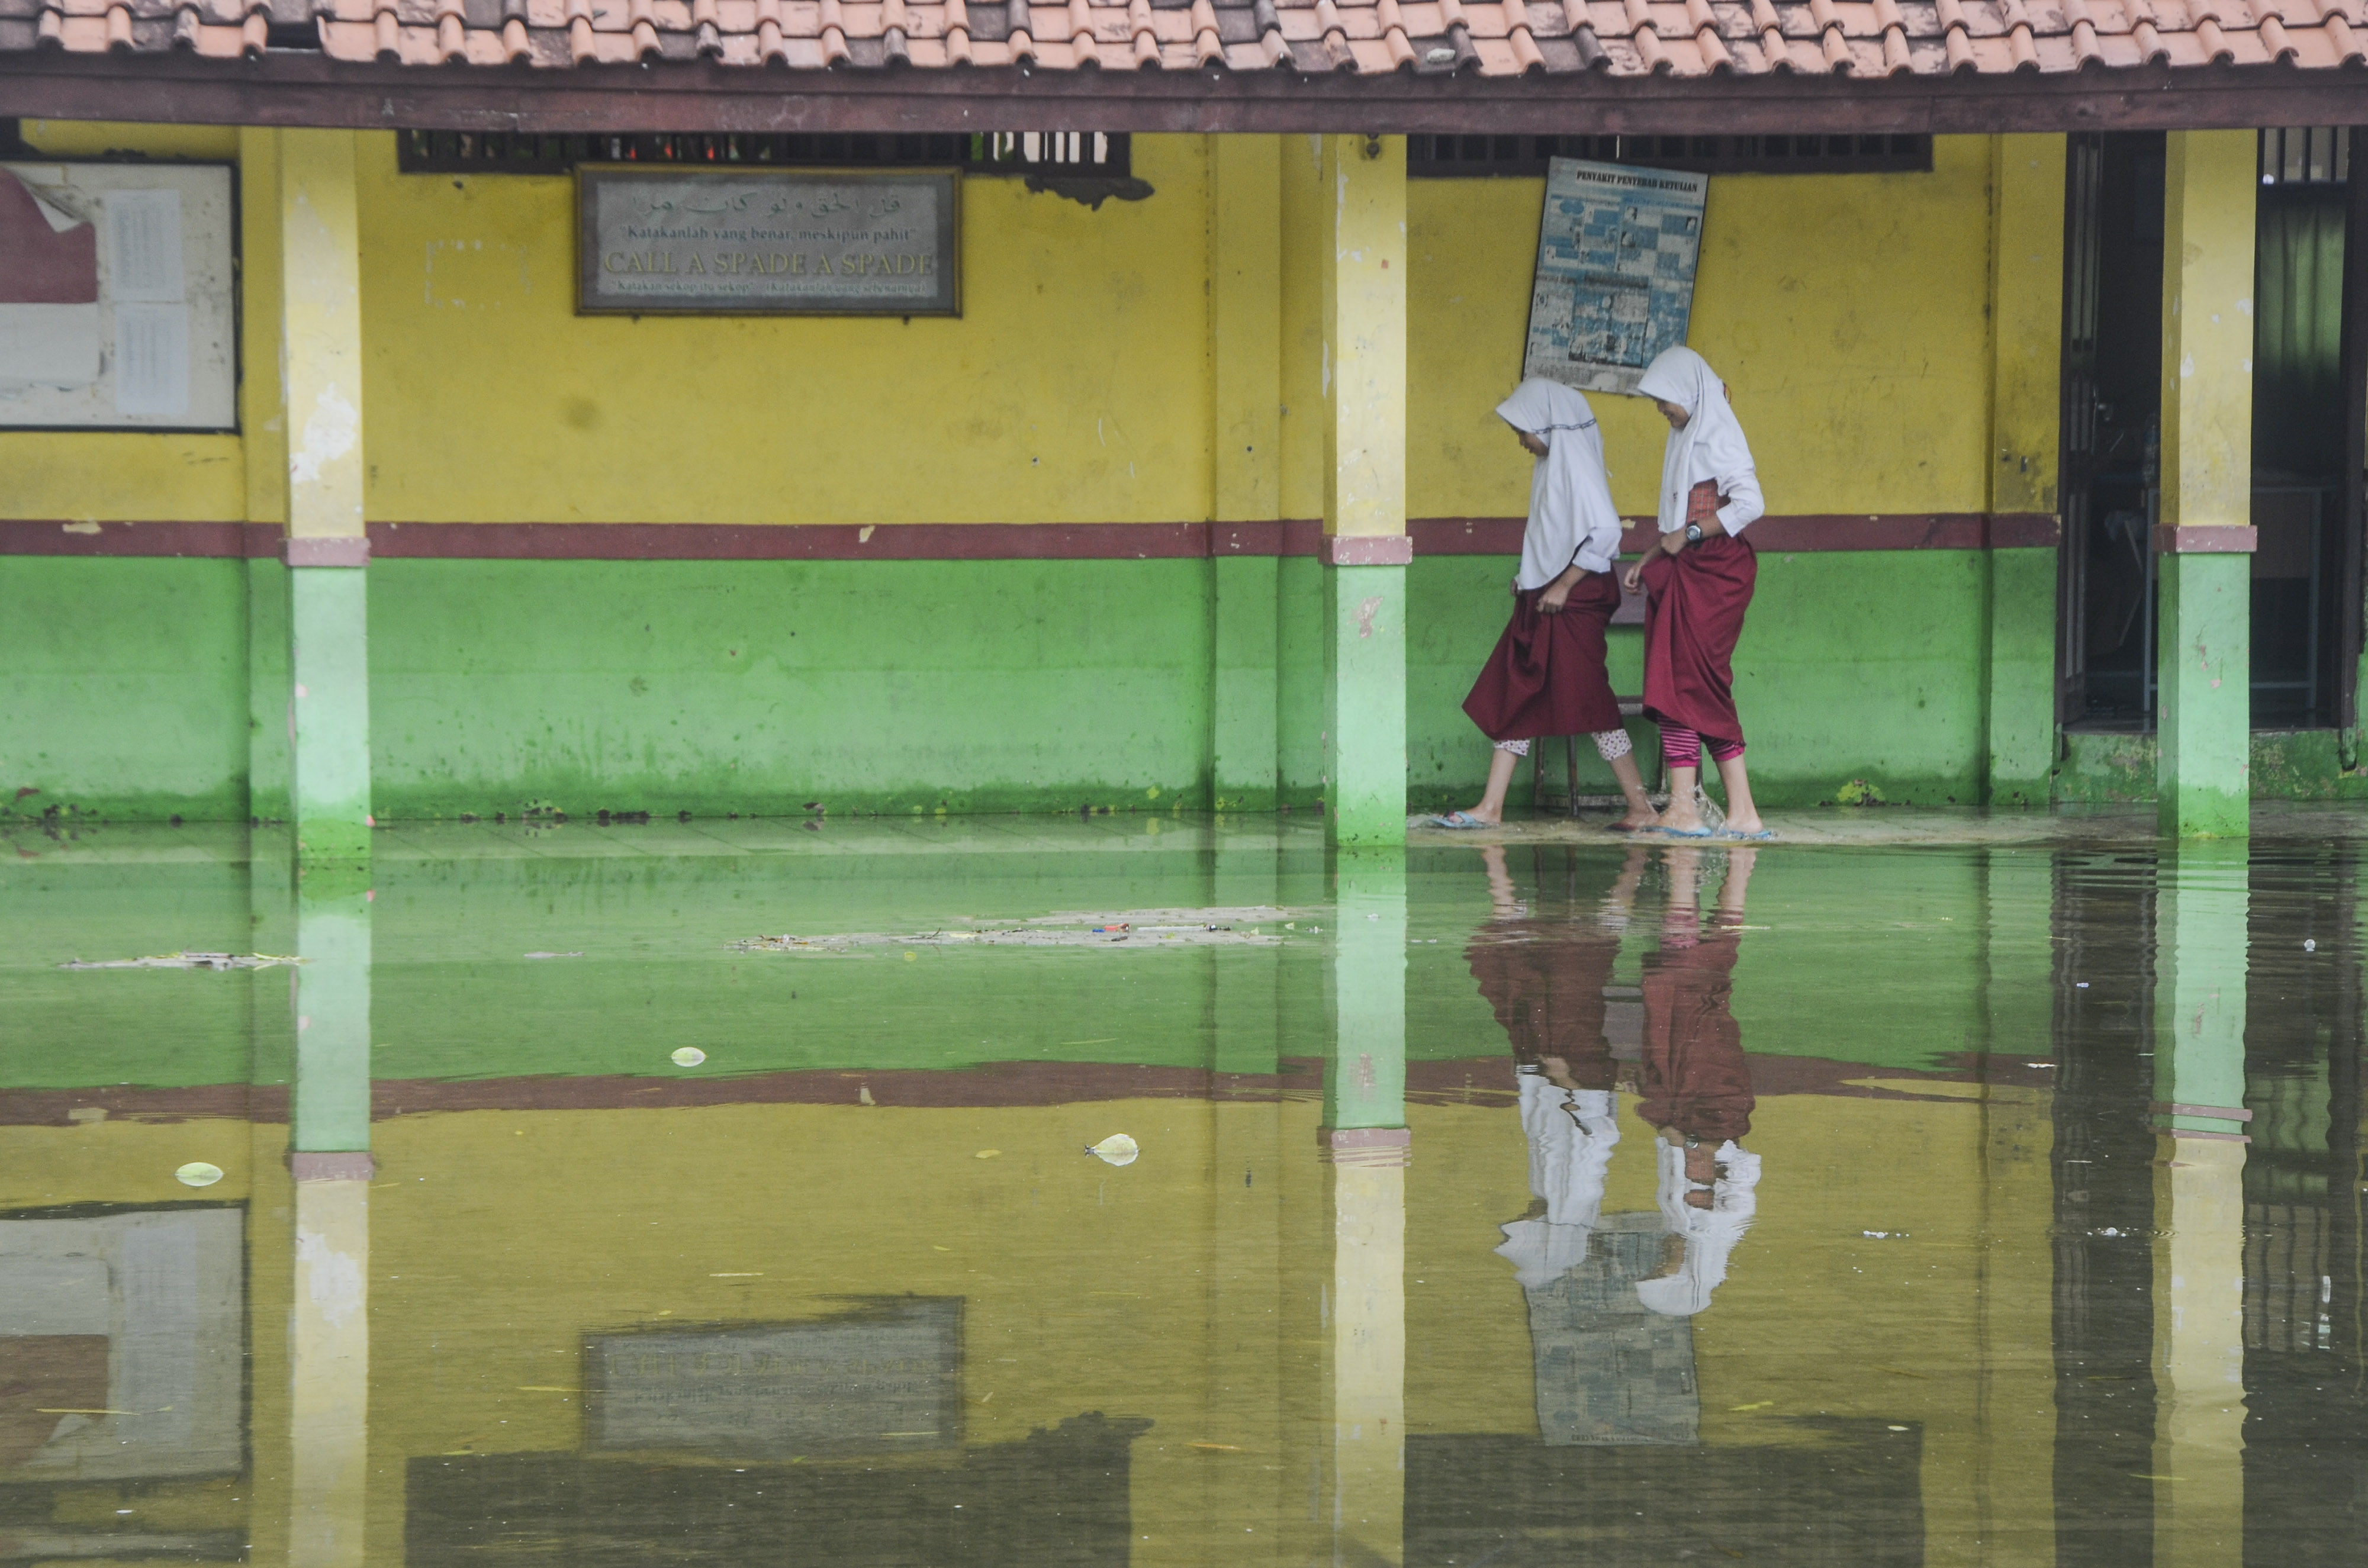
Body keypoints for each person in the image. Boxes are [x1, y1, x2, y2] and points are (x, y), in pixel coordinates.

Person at [1436, 378, 1658, 832]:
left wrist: (1562, 585)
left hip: (1572, 603)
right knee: (1519, 692)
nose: (1521, 441)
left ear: (1547, 425)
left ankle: (1642, 808)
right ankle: (1491, 807)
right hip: (1546, 599)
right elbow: (1551, 536)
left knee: (1594, 704)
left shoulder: (1576, 469)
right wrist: (1531, 579)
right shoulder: (1552, 467)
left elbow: (1606, 535)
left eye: (1523, 430)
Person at [1623, 348, 1771, 841]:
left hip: (1715, 573)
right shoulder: (1686, 437)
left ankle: (1709, 809)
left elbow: (1750, 504)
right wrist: (1649, 559)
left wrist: (1686, 536)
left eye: (1666, 401)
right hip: (1684, 569)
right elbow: (1676, 522)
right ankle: (1716, 810)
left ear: (1690, 393)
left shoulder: (1718, 435)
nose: (1662, 410)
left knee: (1695, 685)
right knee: (1676, 686)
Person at [1634, 844, 1762, 1317]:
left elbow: (1667, 1144)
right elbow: (1741, 1158)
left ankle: (1688, 877)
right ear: (1685, 1275)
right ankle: (1738, 872)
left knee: (1672, 978)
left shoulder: (1675, 1214)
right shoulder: (1730, 1215)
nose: (1659, 1261)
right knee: (1706, 987)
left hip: (1674, 1077)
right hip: (1715, 1088)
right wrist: (1691, 1137)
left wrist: (1661, 1115)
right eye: (1661, 1270)